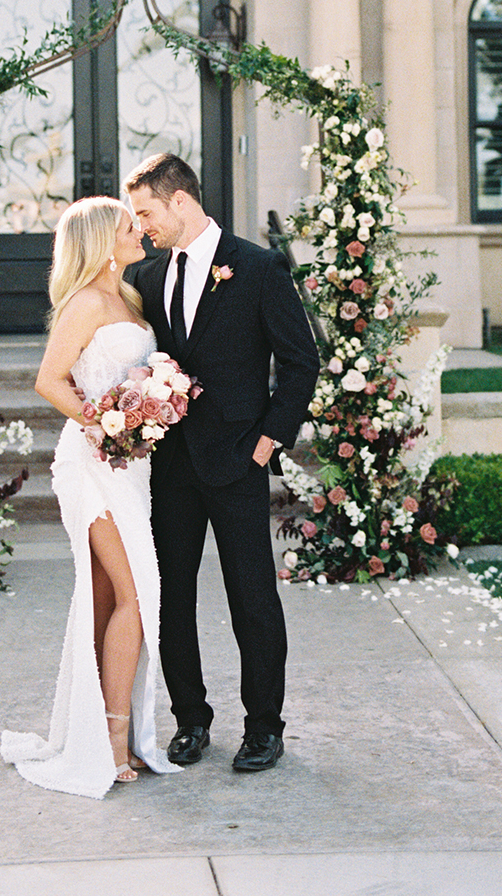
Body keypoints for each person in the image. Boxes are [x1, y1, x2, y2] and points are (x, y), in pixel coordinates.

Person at [125, 153, 320, 773]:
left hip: (239, 461)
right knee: (170, 598)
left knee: (252, 596)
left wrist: (270, 441)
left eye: (147, 213)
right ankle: (191, 720)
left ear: (180, 202)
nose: (143, 226)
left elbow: (300, 361)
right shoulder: (149, 278)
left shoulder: (260, 268)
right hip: (171, 466)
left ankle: (264, 726)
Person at [0, 196, 180, 798]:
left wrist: (151, 404)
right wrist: (107, 425)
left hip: (130, 468)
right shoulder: (82, 303)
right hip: (93, 466)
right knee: (137, 594)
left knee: (108, 599)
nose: (141, 232)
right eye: (130, 227)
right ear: (104, 241)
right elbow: (49, 380)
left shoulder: (128, 297)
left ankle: (97, 727)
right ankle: (112, 739)